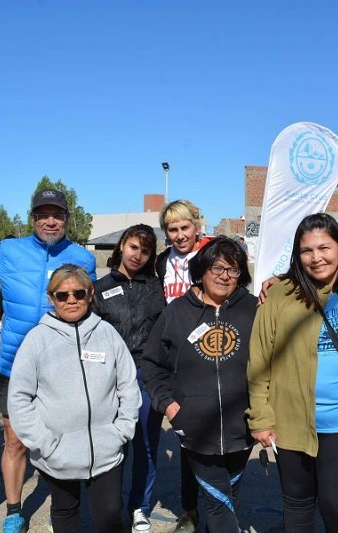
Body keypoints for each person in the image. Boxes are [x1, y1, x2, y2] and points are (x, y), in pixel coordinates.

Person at [248, 213, 338, 533]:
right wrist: (260, 418)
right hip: (291, 423)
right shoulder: (279, 295)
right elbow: (258, 360)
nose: (316, 258)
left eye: (324, 248)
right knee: (299, 507)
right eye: (307, 251)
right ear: (296, 254)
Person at [0, 189, 97, 533]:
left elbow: (90, 310)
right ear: (32, 218)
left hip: (61, 369)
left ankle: (62, 510)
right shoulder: (6, 252)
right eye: (43, 214)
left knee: (61, 440)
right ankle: (14, 511)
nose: (51, 221)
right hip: (15, 366)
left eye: (58, 215)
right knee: (15, 442)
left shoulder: (83, 258)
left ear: (67, 218)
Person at [8, 264, 140, 532]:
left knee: (110, 516)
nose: (71, 300)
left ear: (90, 294)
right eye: (62, 295)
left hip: (107, 450)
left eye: (78, 293)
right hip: (57, 453)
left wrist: (122, 430)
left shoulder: (107, 334)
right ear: (51, 297)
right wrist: (46, 444)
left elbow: (128, 384)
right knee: (65, 512)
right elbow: (20, 399)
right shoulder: (37, 340)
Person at [143, 237, 257, 533]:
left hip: (242, 427)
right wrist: (169, 405)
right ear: (202, 270)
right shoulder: (177, 312)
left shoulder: (254, 308)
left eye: (233, 270)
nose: (224, 276)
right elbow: (152, 364)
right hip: (195, 428)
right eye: (217, 267)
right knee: (219, 504)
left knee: (225, 499)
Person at [92, 224, 165, 532]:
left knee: (146, 447)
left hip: (147, 375)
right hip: (110, 377)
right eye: (134, 247)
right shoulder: (99, 287)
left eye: (145, 250)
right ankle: (111, 508)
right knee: (111, 447)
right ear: (121, 246)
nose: (138, 255)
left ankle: (140, 507)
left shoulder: (156, 288)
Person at [154, 199, 208, 531]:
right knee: (185, 434)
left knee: (211, 431)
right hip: (175, 356)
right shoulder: (162, 262)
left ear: (196, 226)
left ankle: (218, 504)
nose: (179, 234)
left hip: (208, 352)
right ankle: (190, 509)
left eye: (184, 227)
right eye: (172, 229)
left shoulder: (210, 257)